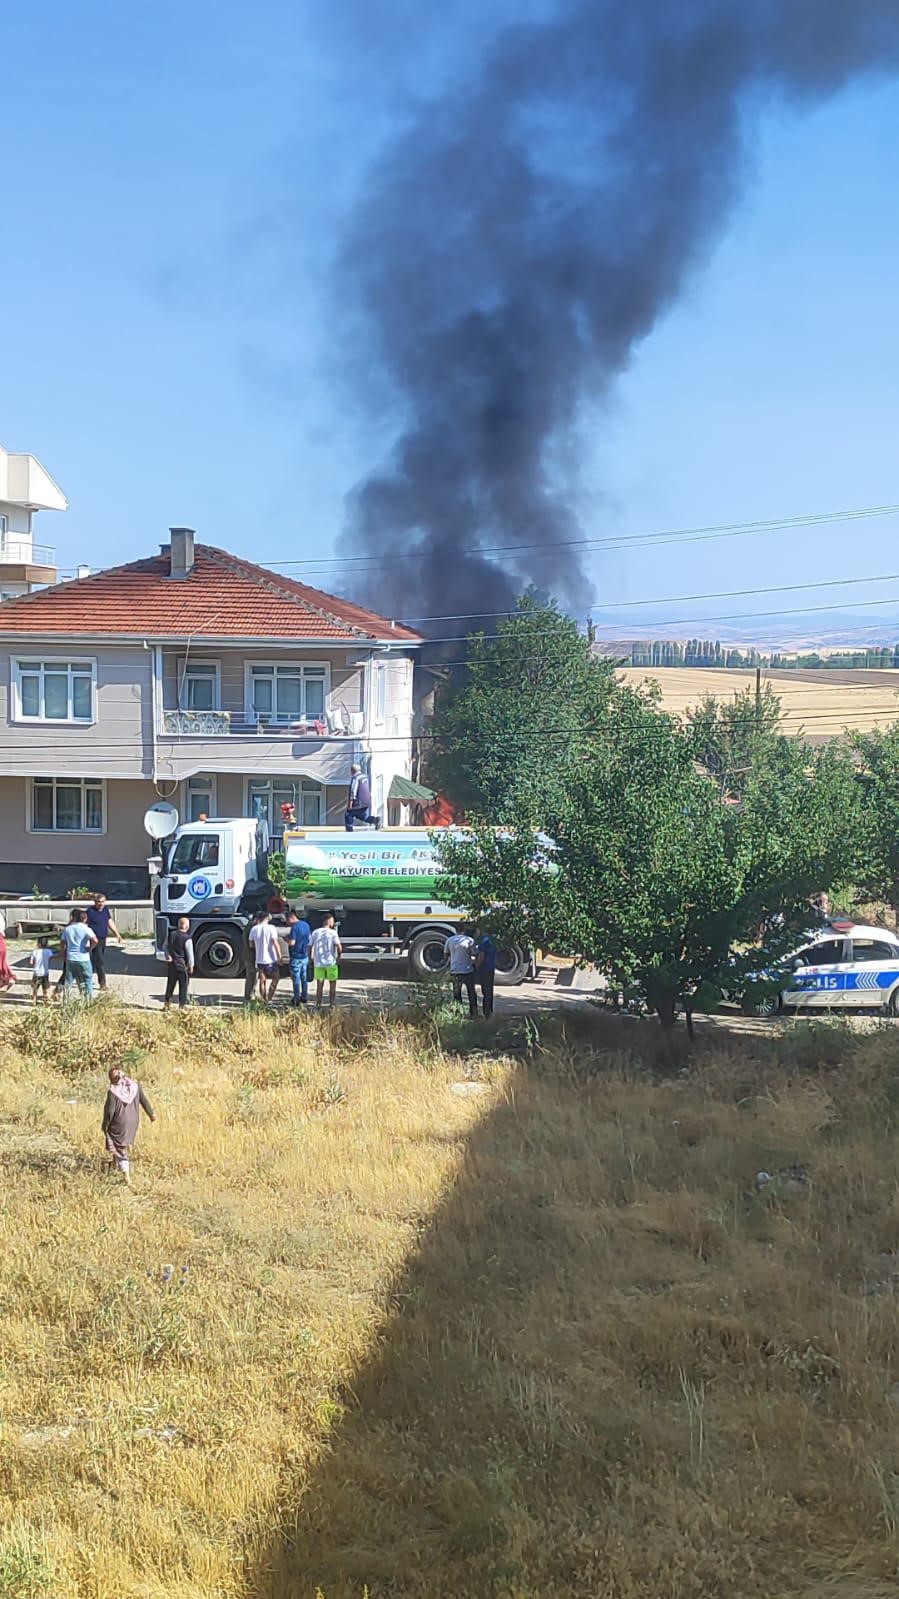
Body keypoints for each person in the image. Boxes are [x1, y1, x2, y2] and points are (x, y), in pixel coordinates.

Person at [101, 1064, 155, 1185]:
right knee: (121, 1144)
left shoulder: (113, 1092)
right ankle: (114, 1164)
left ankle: (127, 1177)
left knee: (120, 1146)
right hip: (133, 1122)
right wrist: (151, 1114)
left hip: (119, 1123)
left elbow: (110, 1112)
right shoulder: (134, 1086)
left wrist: (105, 1125)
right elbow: (144, 1101)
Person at [85, 892, 121, 992]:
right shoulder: (90, 911)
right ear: (95, 902)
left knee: (95, 961)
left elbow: (109, 921)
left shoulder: (105, 910)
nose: (101, 904)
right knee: (99, 961)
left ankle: (87, 978)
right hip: (94, 940)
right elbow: (85, 925)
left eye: (103, 902)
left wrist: (116, 933)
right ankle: (102, 983)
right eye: (99, 902)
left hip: (102, 939)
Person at [60, 909, 97, 999]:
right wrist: (90, 948)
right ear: (84, 919)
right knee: (87, 979)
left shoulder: (68, 929)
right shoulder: (86, 929)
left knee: (68, 980)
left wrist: (63, 954)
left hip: (71, 957)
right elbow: (95, 940)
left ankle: (66, 1000)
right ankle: (87, 1000)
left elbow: (62, 942)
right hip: (84, 957)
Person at [310, 913, 342, 1011]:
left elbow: (309, 946)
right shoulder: (332, 933)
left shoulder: (315, 932)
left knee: (319, 985)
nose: (333, 922)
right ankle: (331, 1004)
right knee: (332, 984)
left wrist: (310, 958)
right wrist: (339, 957)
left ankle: (318, 1004)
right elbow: (339, 946)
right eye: (332, 920)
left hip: (318, 962)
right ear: (327, 921)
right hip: (330, 962)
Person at [249, 909, 282, 1002]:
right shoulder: (271, 928)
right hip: (271, 959)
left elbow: (251, 944)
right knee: (276, 978)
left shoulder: (254, 929)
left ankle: (263, 999)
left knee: (262, 980)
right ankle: (270, 998)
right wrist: (279, 957)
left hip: (259, 959)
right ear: (267, 917)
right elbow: (275, 943)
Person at [163, 916, 195, 1009]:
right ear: (187, 927)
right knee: (183, 987)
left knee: (170, 985)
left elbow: (165, 947)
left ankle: (167, 1004)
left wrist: (168, 956)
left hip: (172, 965)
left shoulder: (171, 935)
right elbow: (190, 954)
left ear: (178, 925)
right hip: (182, 966)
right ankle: (181, 1006)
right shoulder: (187, 938)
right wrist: (191, 966)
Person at [446, 927, 477, 1017]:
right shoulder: (469, 940)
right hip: (467, 970)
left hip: (455, 970)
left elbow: (446, 954)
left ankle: (458, 1012)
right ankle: (473, 1012)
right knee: (471, 992)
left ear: (456, 931)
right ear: (464, 931)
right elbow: (474, 953)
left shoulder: (449, 940)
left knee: (456, 993)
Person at [286, 909, 312, 1006]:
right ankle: (304, 996)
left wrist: (286, 940)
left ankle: (296, 998)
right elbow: (309, 938)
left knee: (296, 979)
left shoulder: (294, 928)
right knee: (304, 978)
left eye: (287, 920)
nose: (287, 923)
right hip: (304, 955)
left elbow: (292, 942)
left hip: (295, 956)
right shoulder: (306, 925)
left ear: (291, 917)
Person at [473, 928, 497, 1018]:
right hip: (491, 968)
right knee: (489, 991)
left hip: (484, 969)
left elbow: (482, 956)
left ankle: (486, 1012)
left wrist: (477, 965)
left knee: (485, 991)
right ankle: (489, 1011)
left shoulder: (484, 941)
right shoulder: (492, 940)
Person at [344, 763, 371, 831]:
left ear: (353, 770)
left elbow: (353, 790)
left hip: (359, 802)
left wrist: (350, 802)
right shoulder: (365, 777)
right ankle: (375, 820)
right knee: (360, 815)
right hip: (366, 802)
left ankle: (349, 831)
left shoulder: (355, 778)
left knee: (348, 814)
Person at [30, 936, 52, 1004]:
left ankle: (34, 1000)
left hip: (36, 973)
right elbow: (50, 958)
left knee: (35, 987)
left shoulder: (34, 951)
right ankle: (45, 1001)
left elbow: (31, 962)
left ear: (38, 943)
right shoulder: (49, 951)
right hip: (45, 973)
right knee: (45, 988)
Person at [0, 924, 15, 993]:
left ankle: (7, 979)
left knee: (2, 964)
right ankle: (8, 979)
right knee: (2, 963)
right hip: (2, 945)